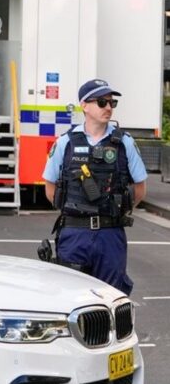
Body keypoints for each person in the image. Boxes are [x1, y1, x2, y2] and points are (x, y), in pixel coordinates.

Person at [42, 79, 147, 295]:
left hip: (110, 234)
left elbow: (140, 188)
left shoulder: (125, 142)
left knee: (112, 297)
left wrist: (117, 211)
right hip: (74, 233)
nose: (108, 107)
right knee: (70, 296)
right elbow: (50, 187)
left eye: (111, 102)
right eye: (101, 102)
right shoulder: (65, 142)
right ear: (84, 106)